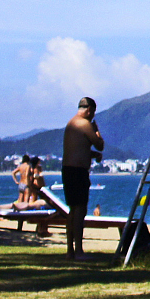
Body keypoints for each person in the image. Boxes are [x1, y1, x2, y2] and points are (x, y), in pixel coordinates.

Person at [61, 96, 103, 258]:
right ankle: (78, 250)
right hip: (77, 172)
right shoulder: (85, 124)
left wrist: (93, 154)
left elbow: (77, 149)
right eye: (93, 113)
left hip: (68, 169)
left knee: (73, 210)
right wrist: (97, 130)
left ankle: (70, 251)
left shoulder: (71, 124)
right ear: (89, 110)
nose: (93, 116)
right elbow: (100, 143)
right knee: (80, 210)